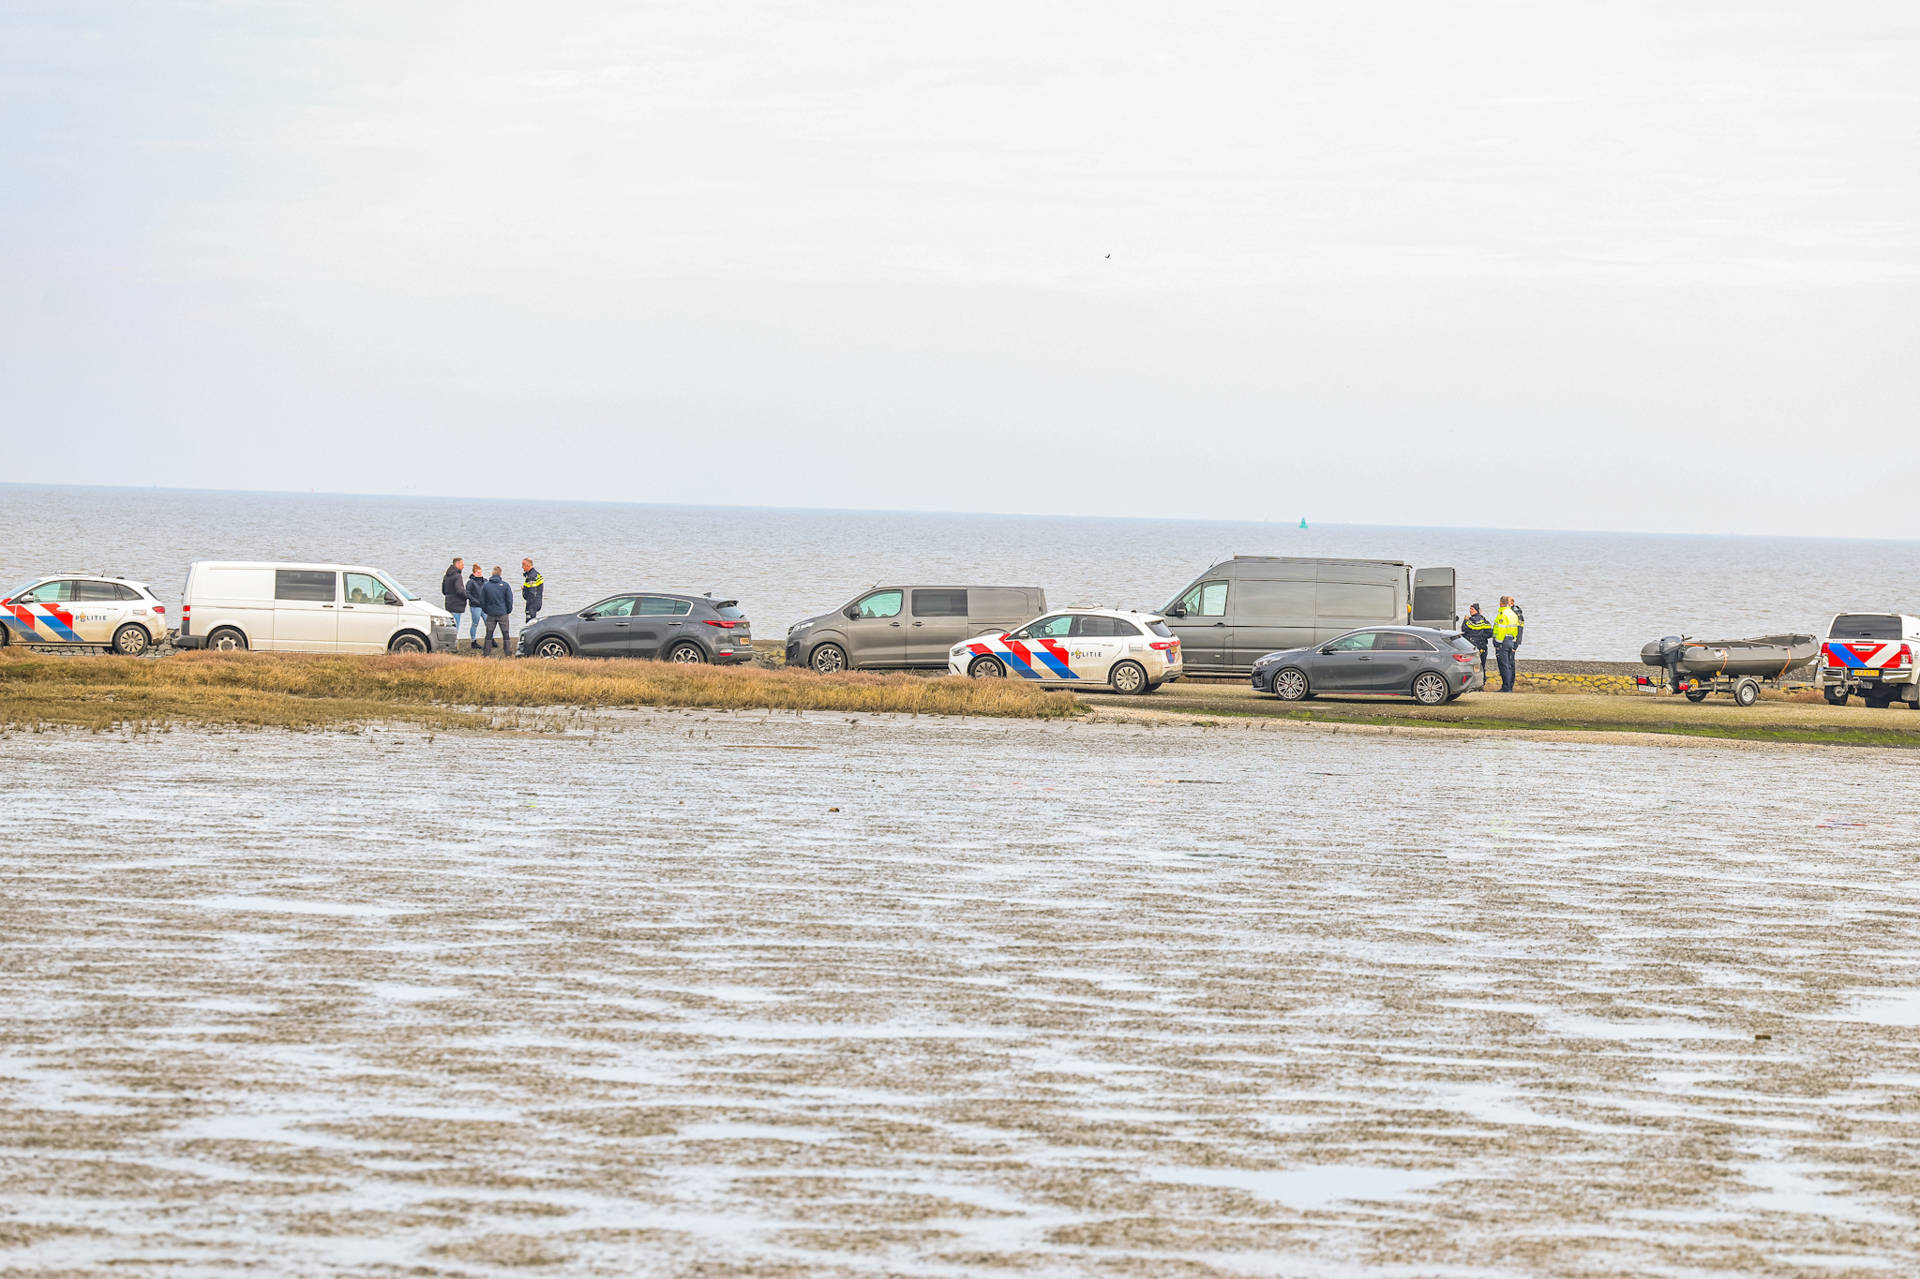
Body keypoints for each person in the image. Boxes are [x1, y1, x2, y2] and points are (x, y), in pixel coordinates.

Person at [481, 565, 515, 657]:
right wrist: (508, 610)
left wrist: (486, 610)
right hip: (502, 612)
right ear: (500, 574)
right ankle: (507, 653)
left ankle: (486, 653)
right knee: (505, 633)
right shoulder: (505, 585)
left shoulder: (486, 586)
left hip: (491, 613)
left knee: (489, 633)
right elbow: (509, 600)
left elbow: (482, 601)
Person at [1492, 595, 1522, 692]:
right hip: (1511, 640)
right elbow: (1517, 629)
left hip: (1503, 641)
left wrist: (1497, 642)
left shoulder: (1502, 614)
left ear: (1501, 603)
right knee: (1508, 664)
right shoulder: (1513, 614)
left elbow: (1501, 630)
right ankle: (1508, 687)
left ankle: (1506, 687)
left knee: (1503, 665)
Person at [1460, 602, 1492, 677]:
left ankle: (1474, 684)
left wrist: (1465, 620)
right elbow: (1490, 633)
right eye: (1470, 609)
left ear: (1476, 610)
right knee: (1482, 666)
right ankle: (1482, 683)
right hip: (1482, 646)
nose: (1470, 611)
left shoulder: (1469, 621)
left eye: (1472, 609)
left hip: (1472, 647)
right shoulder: (1484, 620)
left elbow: (1464, 629)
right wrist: (1482, 636)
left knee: (1471, 667)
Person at [464, 562, 487, 650]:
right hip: (475, 606)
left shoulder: (485, 581)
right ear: (474, 573)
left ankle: (490, 639)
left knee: (488, 623)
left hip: (484, 606)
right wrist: (475, 601)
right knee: (475, 623)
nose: (479, 574)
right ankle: (473, 641)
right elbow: (468, 594)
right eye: (478, 572)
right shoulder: (470, 582)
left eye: (480, 572)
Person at [441, 558, 467, 625]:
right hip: (457, 605)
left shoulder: (446, 576)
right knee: (456, 625)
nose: (463, 566)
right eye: (462, 564)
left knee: (450, 626)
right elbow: (460, 590)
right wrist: (467, 595)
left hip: (448, 604)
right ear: (457, 564)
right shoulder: (458, 576)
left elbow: (443, 591)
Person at [521, 558, 544, 626]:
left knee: (530, 623)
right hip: (538, 601)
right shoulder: (537, 574)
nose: (522, 567)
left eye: (523, 565)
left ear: (527, 565)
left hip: (532, 603)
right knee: (533, 622)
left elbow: (532, 592)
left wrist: (524, 590)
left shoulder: (531, 577)